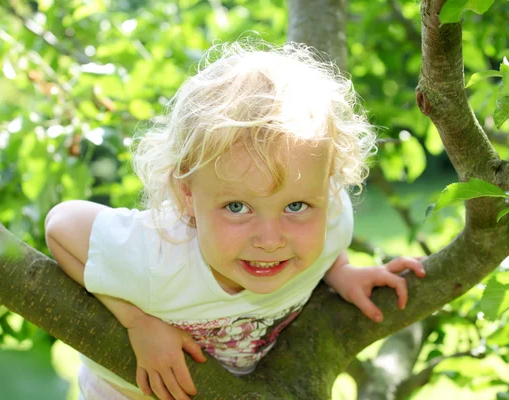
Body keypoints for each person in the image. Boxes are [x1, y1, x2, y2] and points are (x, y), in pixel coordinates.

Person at [44, 40, 426, 400]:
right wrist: (138, 322)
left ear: (327, 189)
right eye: (237, 207)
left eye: (294, 207)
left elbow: (327, 242)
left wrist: (340, 271)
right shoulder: (159, 256)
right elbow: (61, 225)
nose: (271, 239)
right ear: (187, 195)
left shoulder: (331, 225)